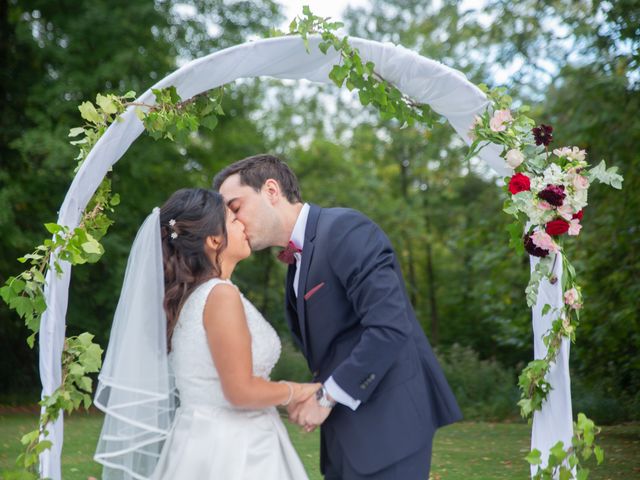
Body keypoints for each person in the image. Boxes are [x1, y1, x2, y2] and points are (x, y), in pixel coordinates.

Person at [214, 154, 463, 480]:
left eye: (235, 208)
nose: (232, 222)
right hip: (347, 436)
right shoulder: (296, 263)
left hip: (389, 428)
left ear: (271, 191)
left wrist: (326, 397)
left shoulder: (345, 230)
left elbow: (389, 327)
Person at [94, 188, 317, 479]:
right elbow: (240, 391)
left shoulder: (194, 298)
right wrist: (298, 390)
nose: (243, 224)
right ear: (214, 240)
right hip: (235, 451)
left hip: (198, 439)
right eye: (232, 219)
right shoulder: (220, 296)